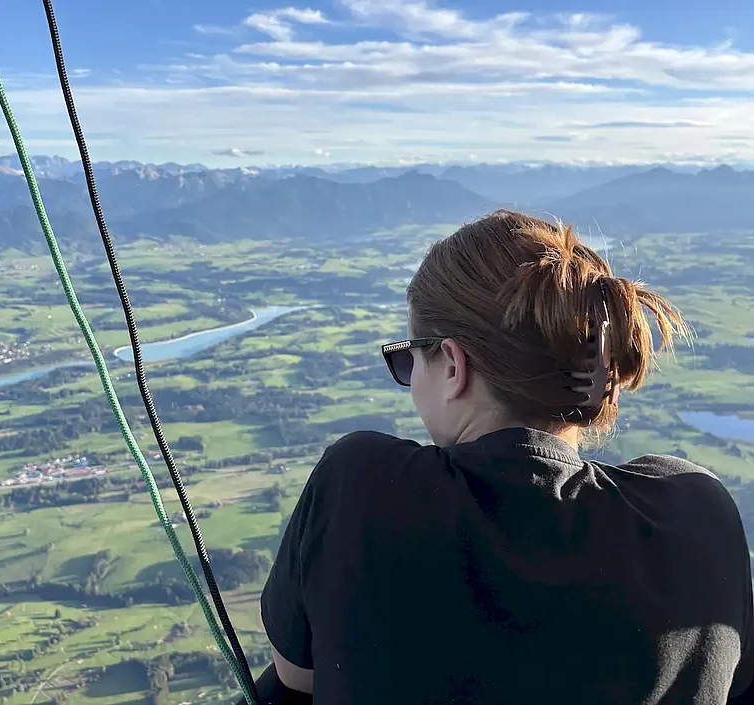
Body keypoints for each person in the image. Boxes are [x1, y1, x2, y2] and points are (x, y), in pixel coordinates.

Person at [257, 210, 754, 704]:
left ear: (453, 365)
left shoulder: (363, 485)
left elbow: (297, 674)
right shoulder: (696, 512)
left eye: (410, 360)